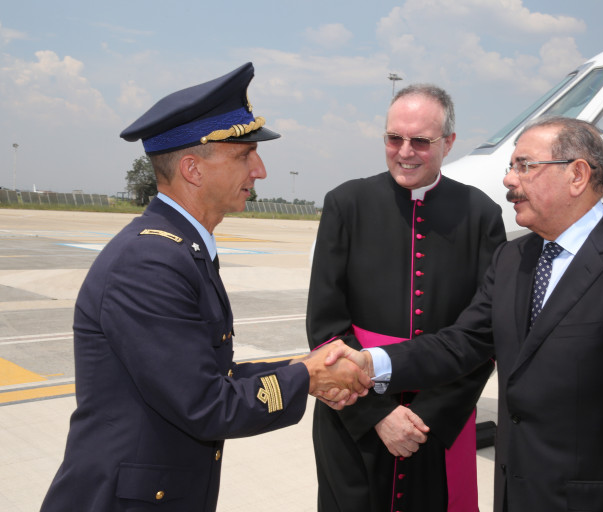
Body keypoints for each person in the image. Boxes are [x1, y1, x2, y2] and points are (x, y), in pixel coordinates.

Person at [39, 63, 370, 512]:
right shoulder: (150, 263)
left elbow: (209, 375)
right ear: (193, 169)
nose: (260, 170)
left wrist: (302, 366)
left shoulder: (181, 250)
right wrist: (308, 377)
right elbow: (206, 404)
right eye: (244, 155)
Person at [342, 116, 603, 511]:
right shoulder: (512, 258)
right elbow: (462, 343)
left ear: (577, 175)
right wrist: (370, 363)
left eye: (524, 165)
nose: (509, 179)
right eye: (511, 166)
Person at [307, 83, 506, 512]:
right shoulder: (346, 204)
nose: (405, 151)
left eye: (421, 141)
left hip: (438, 423)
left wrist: (425, 419)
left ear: (448, 142)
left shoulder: (482, 215)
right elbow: (325, 329)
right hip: (353, 413)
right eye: (394, 138)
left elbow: (485, 335)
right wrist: (378, 414)